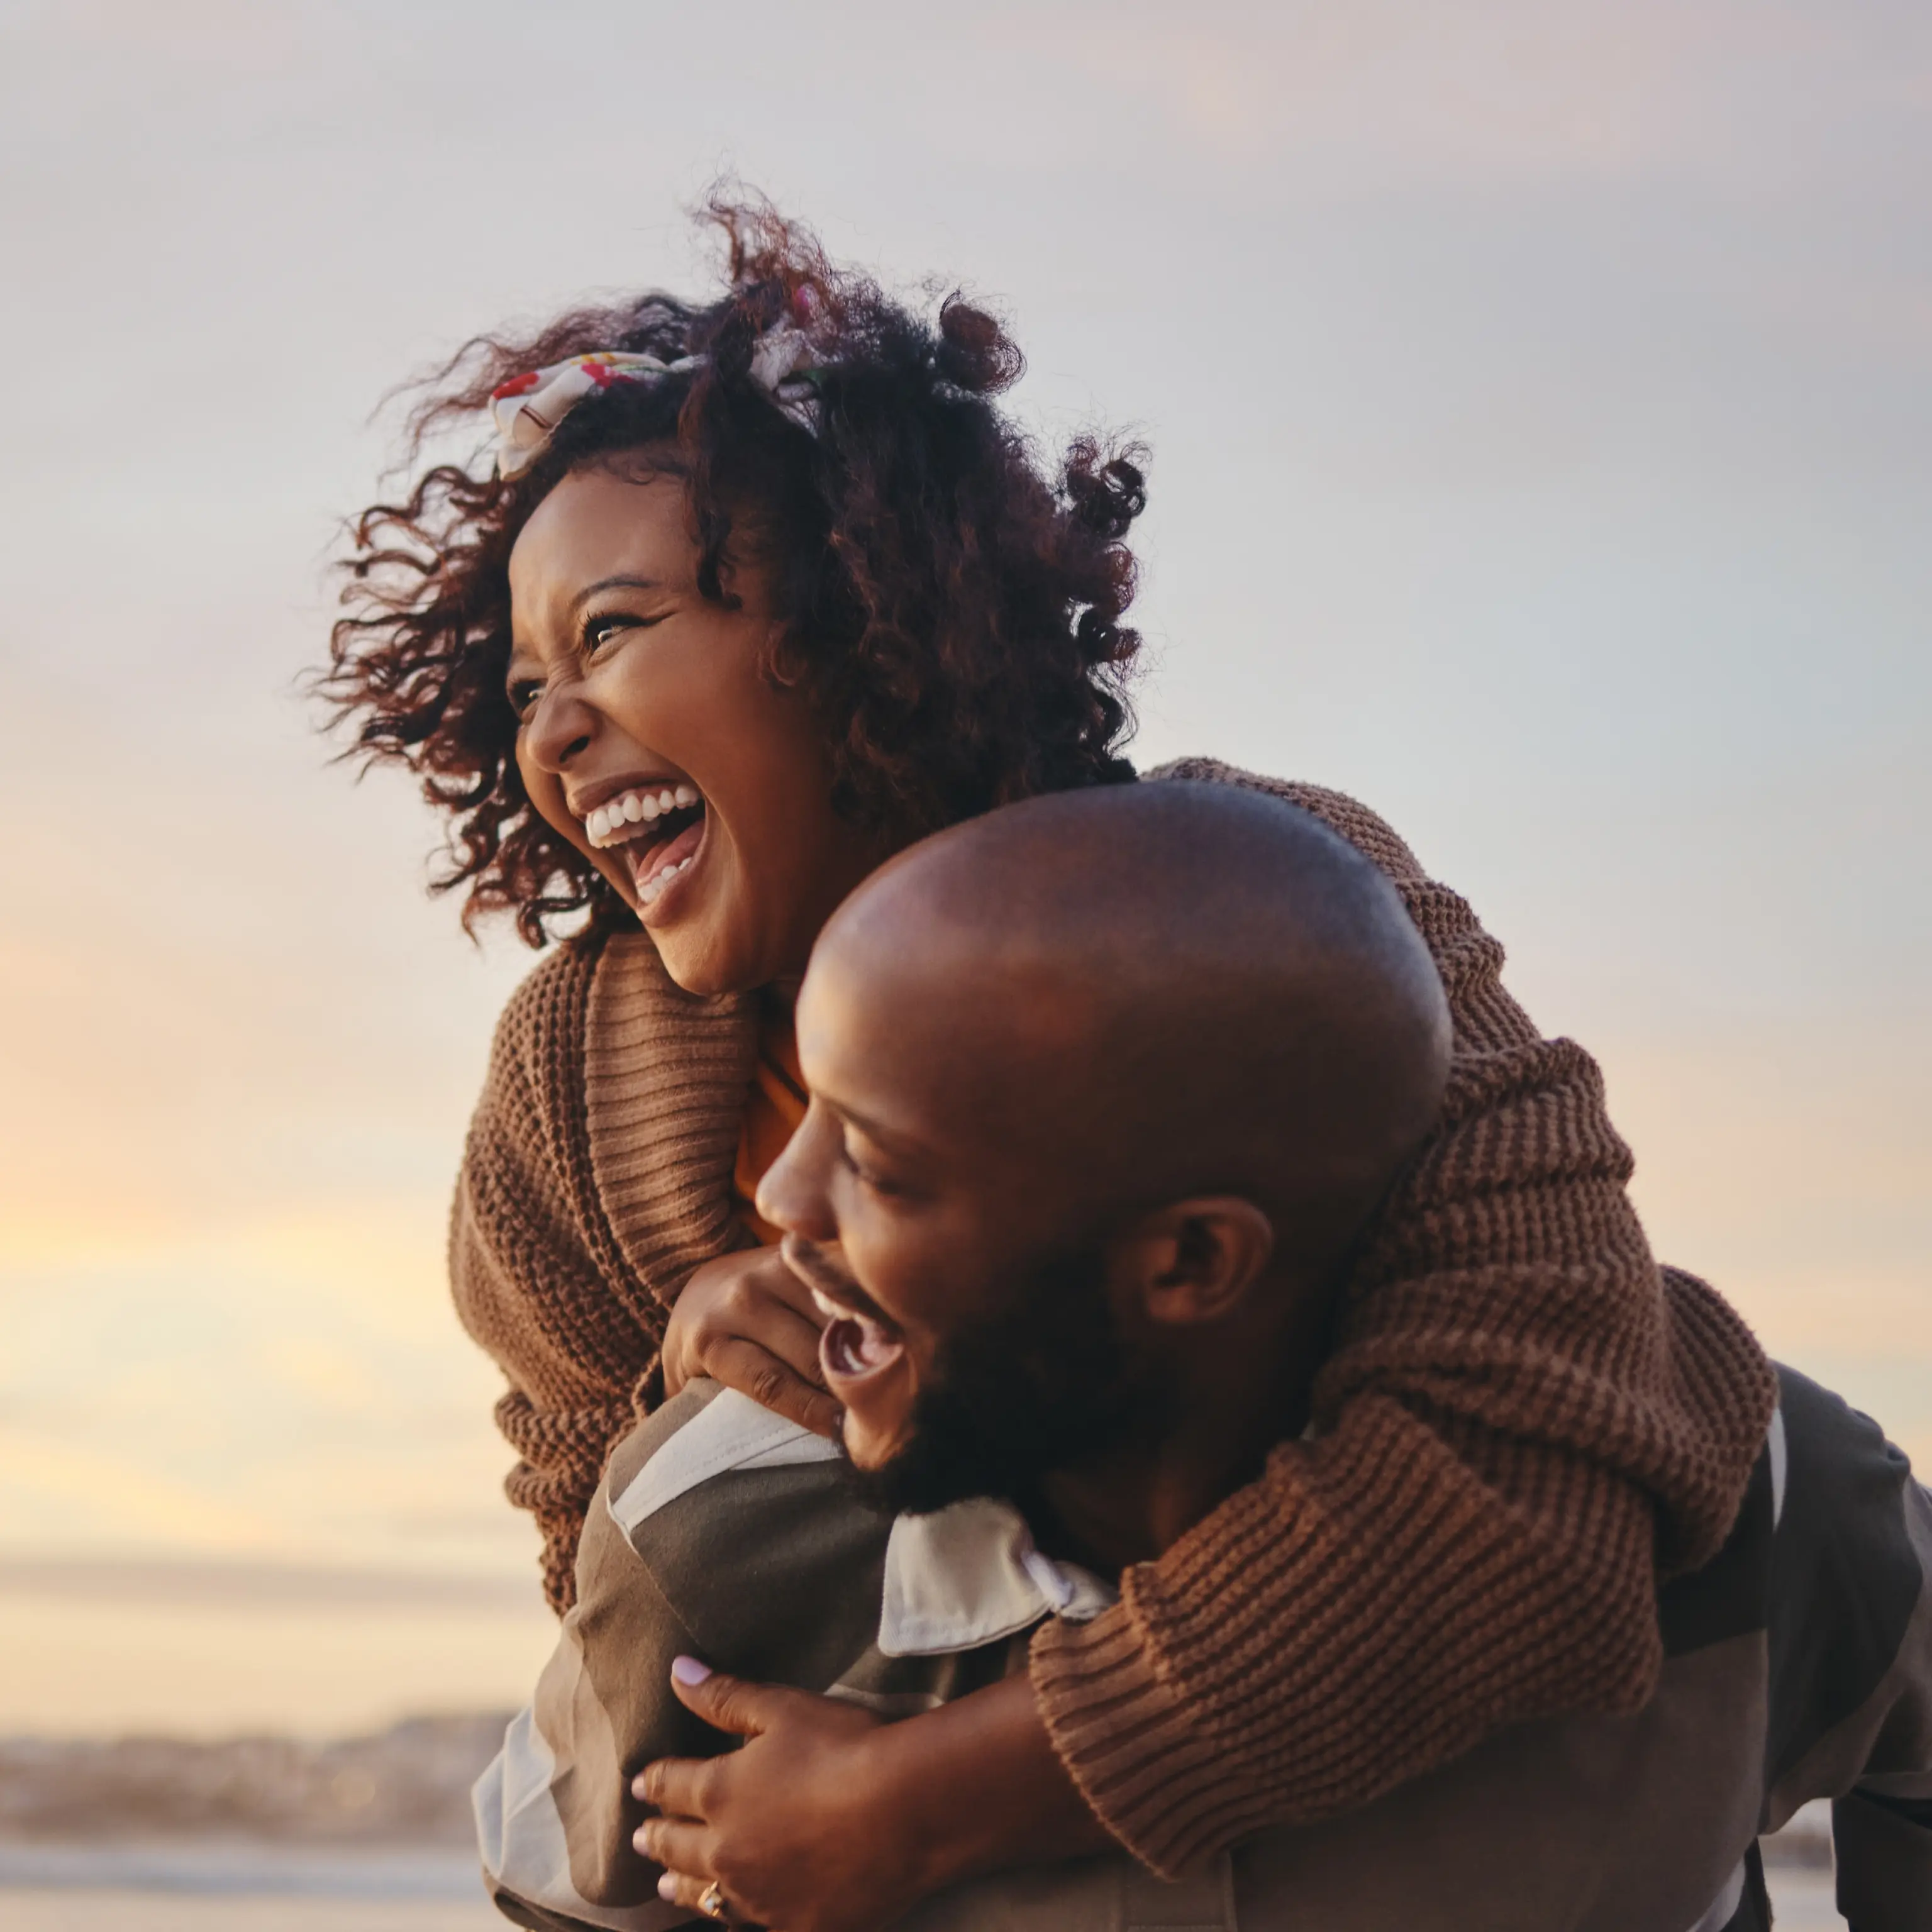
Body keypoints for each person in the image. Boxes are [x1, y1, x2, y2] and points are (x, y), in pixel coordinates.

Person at [323, 195, 1775, 1904]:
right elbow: (612, 1618)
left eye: (614, 631)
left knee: (1807, 1472)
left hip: (1411, 1772)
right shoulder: (568, 1092)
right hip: (932, 1811)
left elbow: (1536, 1463)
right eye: (522, 688)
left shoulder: (1269, 905)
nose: (555, 732)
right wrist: (676, 1397)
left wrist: (940, 1799)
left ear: (854, 613)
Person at [481, 786, 1932, 1932]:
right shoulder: (712, 1527)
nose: (782, 1206)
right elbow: (562, 1895)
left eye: (881, 1166)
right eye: (807, 1110)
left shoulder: (1755, 1496)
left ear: (1190, 1263)